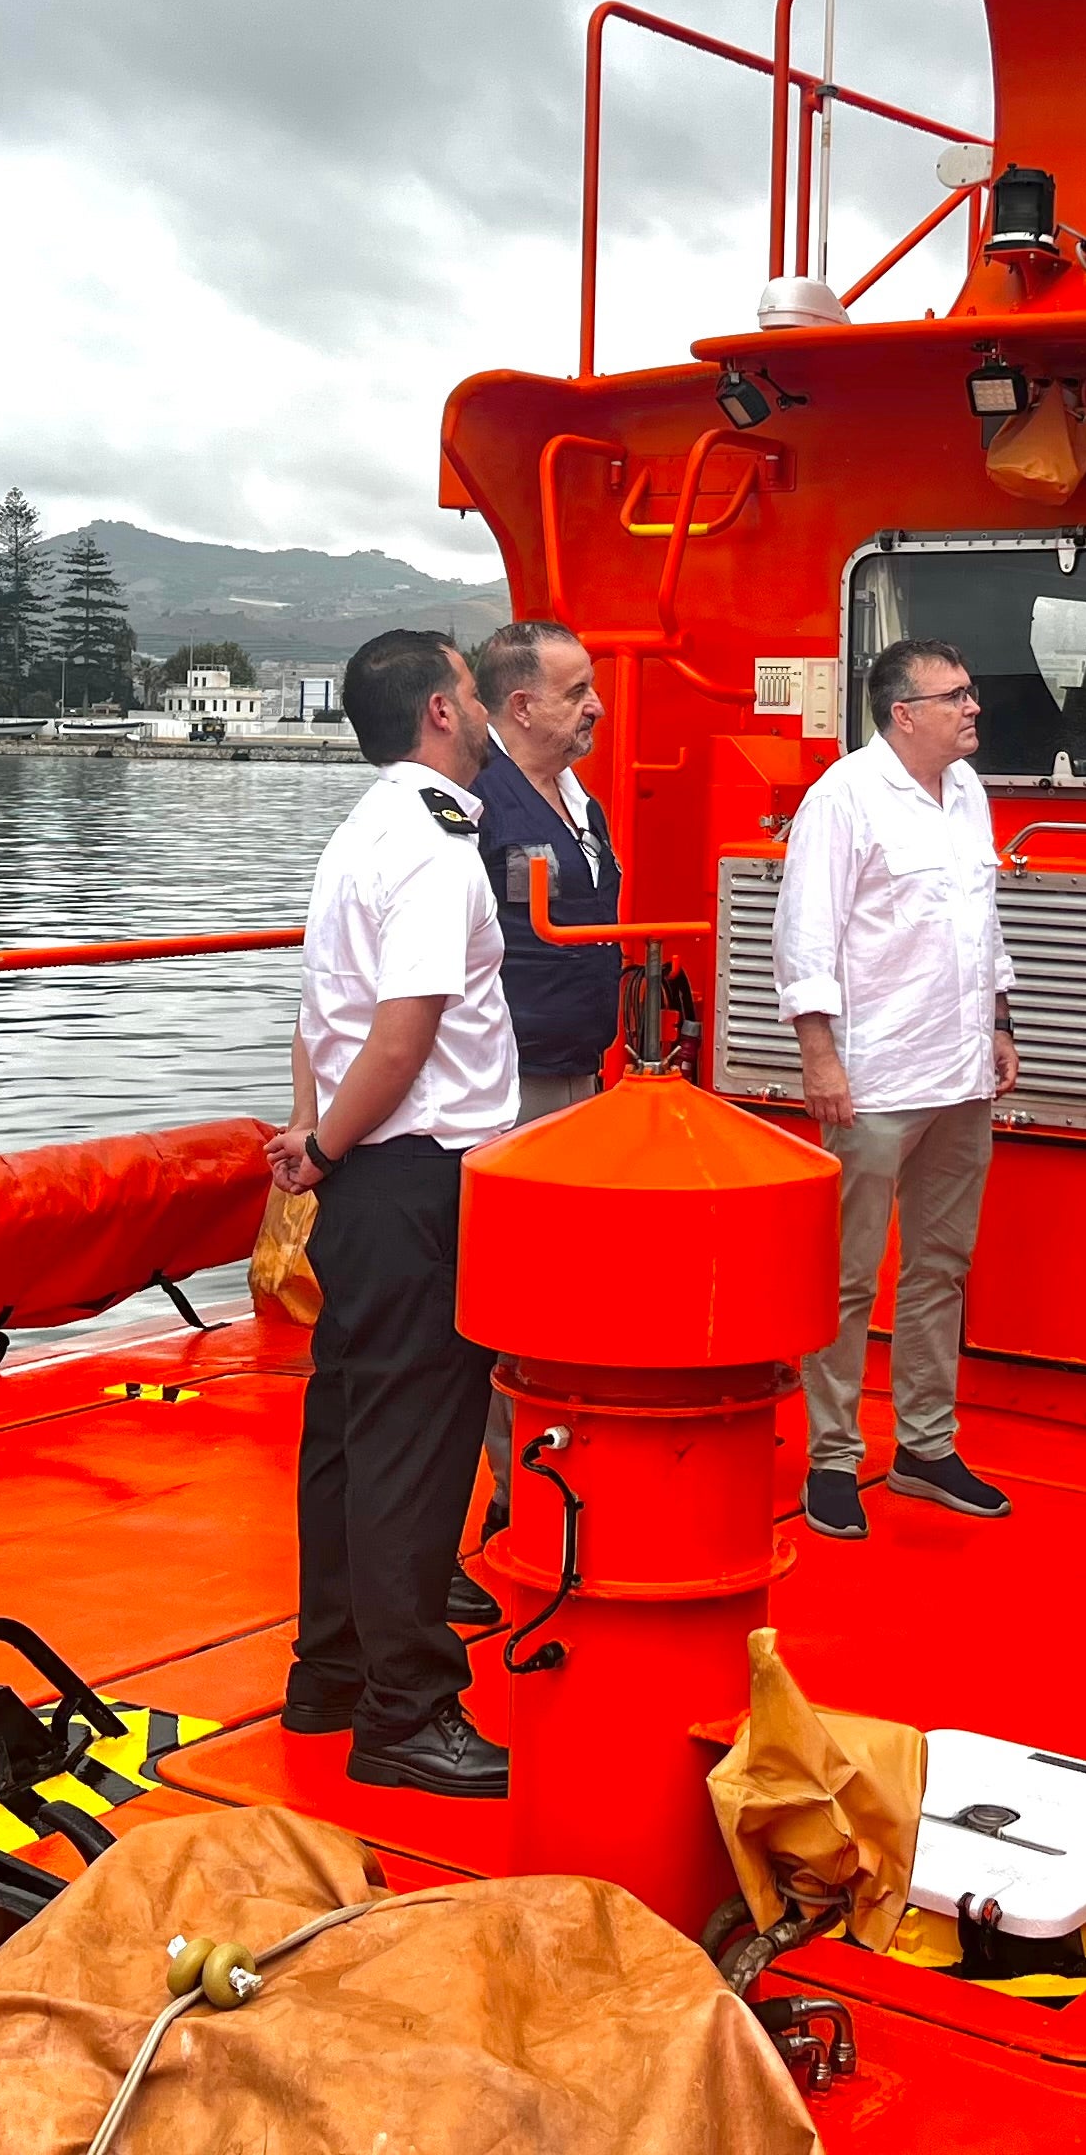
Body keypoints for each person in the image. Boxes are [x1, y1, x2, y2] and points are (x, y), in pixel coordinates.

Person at [275, 628, 522, 1799]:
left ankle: (329, 1673)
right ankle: (407, 1713)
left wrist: (317, 1139)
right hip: (420, 1176)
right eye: (474, 689)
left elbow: (316, 1015)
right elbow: (403, 1032)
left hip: (368, 1180)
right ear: (440, 710)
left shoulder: (361, 834)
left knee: (347, 1434)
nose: (486, 707)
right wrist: (325, 1145)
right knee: (413, 1455)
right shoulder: (433, 850)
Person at [774, 634, 1018, 1541]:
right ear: (903, 714)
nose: (973, 707)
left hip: (959, 1071)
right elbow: (805, 935)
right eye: (955, 696)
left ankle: (925, 1446)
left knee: (941, 1267)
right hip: (874, 1077)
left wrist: (1000, 1023)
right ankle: (833, 1457)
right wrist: (820, 1057)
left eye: (971, 691)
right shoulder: (842, 797)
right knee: (846, 1278)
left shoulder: (968, 791)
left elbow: (983, 923)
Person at [468, 619, 618, 1533]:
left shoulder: (579, 801)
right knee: (511, 1293)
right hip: (507, 1085)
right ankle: (509, 1496)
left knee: (566, 1289)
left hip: (578, 1079)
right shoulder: (480, 804)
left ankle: (555, 1469)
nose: (596, 706)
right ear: (520, 706)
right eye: (577, 692)